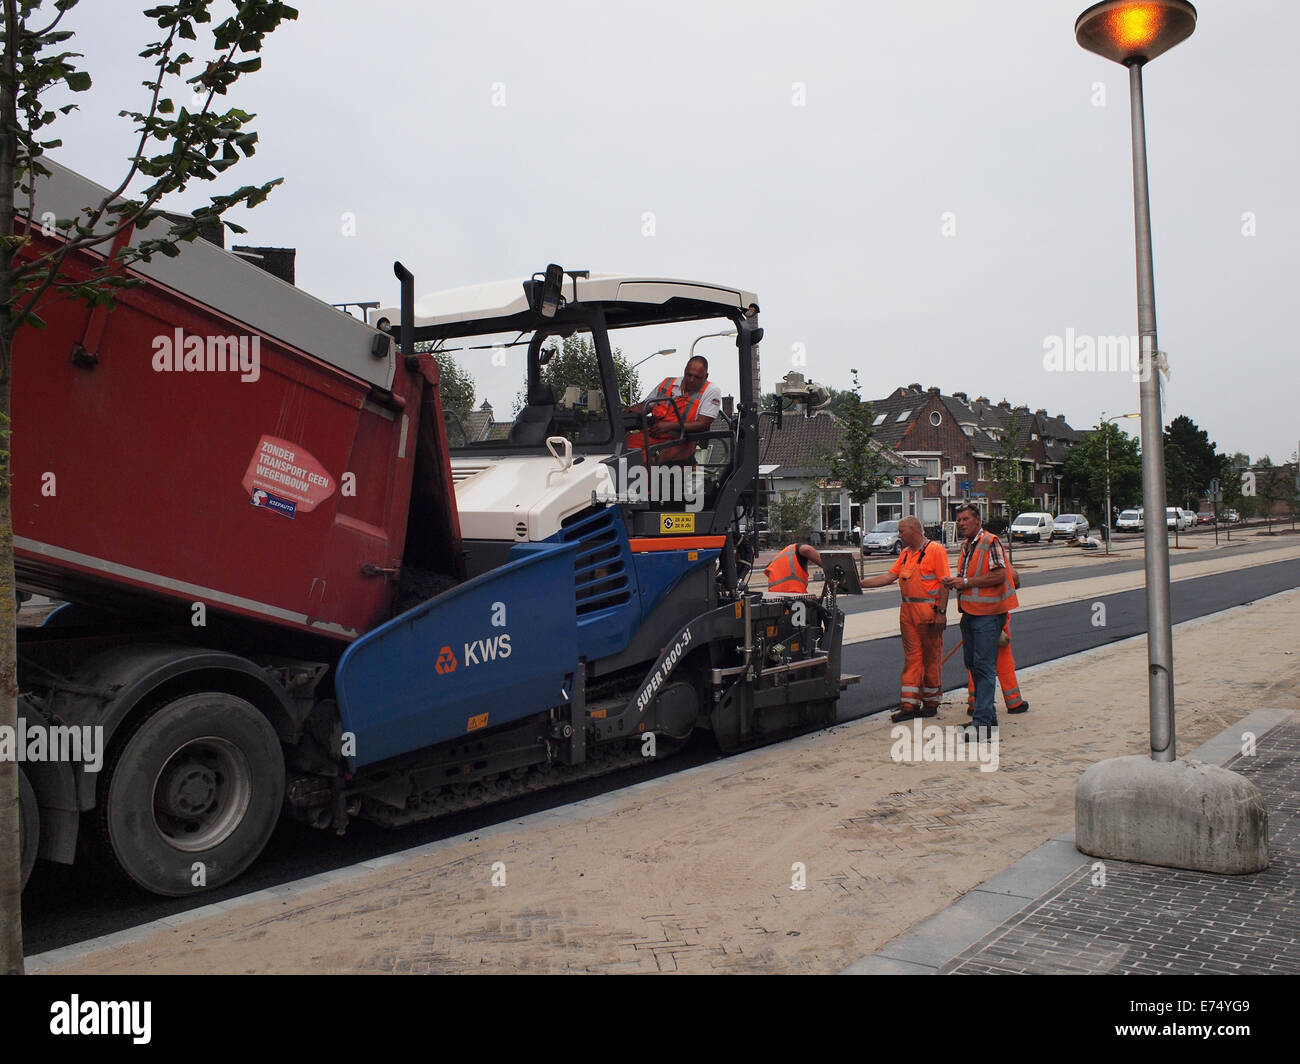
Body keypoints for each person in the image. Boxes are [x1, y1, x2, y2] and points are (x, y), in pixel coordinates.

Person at [860, 516, 950, 722]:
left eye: (901, 531)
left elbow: (945, 583)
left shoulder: (936, 550)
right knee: (912, 659)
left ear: (913, 530)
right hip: (908, 613)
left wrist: (941, 613)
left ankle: (931, 702)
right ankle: (909, 705)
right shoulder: (906, 554)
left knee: (930, 658)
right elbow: (888, 577)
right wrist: (859, 584)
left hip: (928, 613)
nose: (899, 535)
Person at [942, 504, 1018, 736]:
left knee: (984, 668)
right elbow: (972, 576)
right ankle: (986, 718)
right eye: (959, 520)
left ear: (977, 520)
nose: (962, 524)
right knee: (974, 665)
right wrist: (956, 581)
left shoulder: (990, 541)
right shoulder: (968, 546)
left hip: (988, 616)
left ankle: (983, 724)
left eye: (966, 519)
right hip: (971, 614)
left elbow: (997, 575)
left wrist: (964, 583)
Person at [624, 355, 722, 464]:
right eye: (689, 375)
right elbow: (645, 407)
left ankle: (648, 477)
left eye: (697, 377)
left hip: (682, 440)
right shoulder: (667, 383)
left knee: (660, 459)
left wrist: (670, 426)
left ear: (706, 376)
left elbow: (703, 423)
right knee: (625, 446)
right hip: (654, 434)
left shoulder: (711, 391)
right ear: (685, 370)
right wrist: (622, 415)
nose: (691, 380)